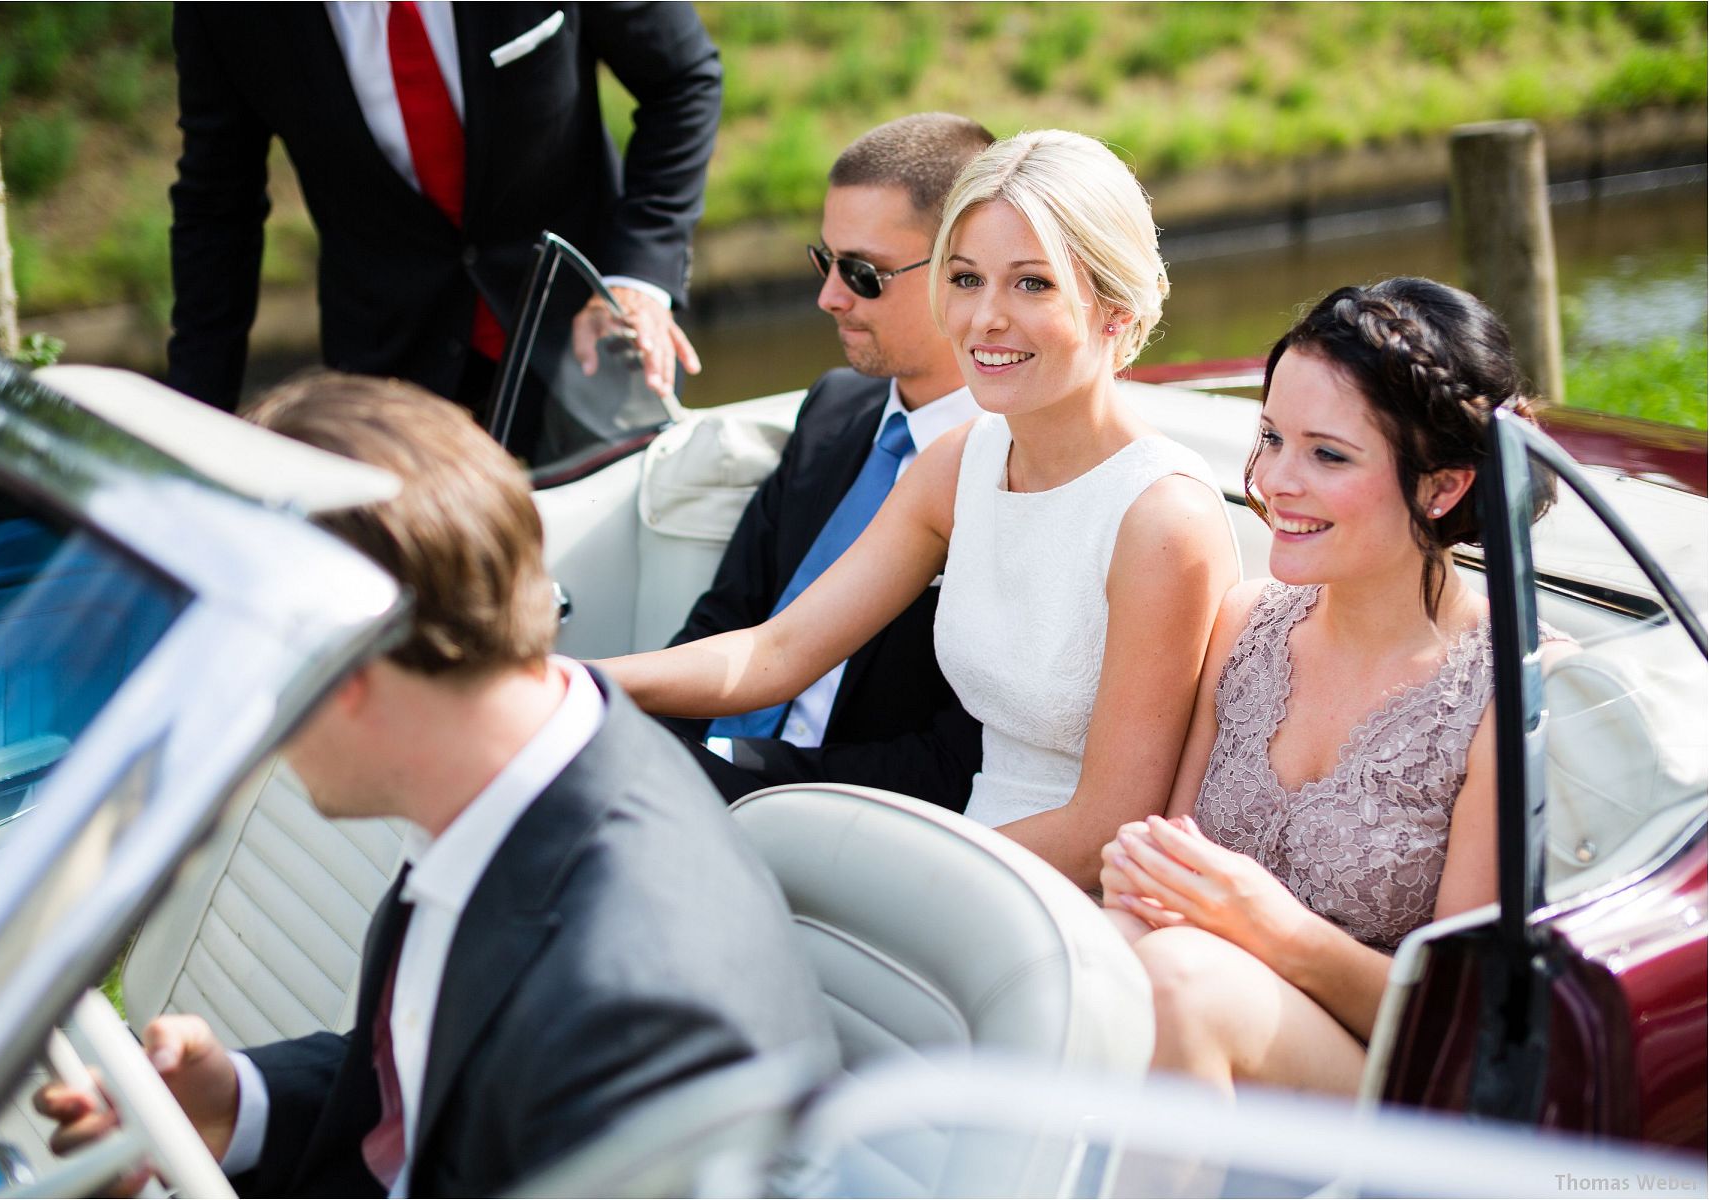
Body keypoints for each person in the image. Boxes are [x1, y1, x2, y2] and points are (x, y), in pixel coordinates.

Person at [35, 374, 835, 1196]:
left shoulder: (635, 1013)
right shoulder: (522, 778)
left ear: (342, 667)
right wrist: (231, 1104)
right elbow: (427, 1085)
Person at [601, 130, 1240, 890]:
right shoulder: (959, 462)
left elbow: (1105, 827)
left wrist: (886, 874)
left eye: (1031, 284)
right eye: (967, 280)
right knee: (613, 762)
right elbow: (776, 654)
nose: (985, 319)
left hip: (1061, 894)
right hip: (961, 842)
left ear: (1115, 308)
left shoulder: (1163, 519)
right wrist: (572, 682)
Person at [1100, 277, 1561, 1098]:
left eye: (1328, 454)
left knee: (1180, 981)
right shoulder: (1244, 625)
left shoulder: (1504, 690)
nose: (1276, 481)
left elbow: (1463, 1025)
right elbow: (1159, 874)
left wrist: (1271, 927)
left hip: (1393, 1082)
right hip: (1190, 1034)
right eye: (1271, 437)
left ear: (1442, 486)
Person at [166, 4, 720, 445]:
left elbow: (682, 79)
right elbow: (218, 207)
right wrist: (190, 428)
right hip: (393, 373)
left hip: (589, 337)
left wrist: (636, 278)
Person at [666, 112, 993, 810]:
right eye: (826, 260)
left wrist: (723, 774)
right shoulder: (836, 408)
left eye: (862, 273)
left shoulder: (1014, 475)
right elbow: (727, 618)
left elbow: (956, 760)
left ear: (963, 273)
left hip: (852, 814)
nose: (828, 297)